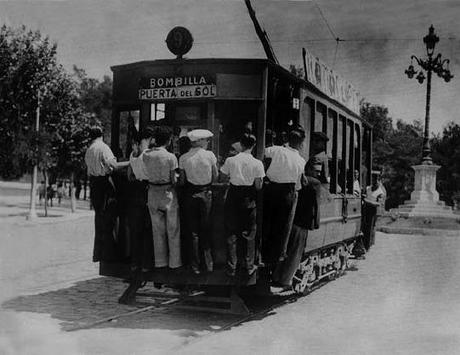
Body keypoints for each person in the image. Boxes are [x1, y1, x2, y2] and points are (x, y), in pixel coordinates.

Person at [272, 158, 322, 290]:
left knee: (284, 250)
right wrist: (315, 223)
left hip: (289, 220)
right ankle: (285, 281)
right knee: (295, 253)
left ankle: (276, 276)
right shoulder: (315, 183)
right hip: (302, 222)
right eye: (316, 171)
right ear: (309, 169)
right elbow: (316, 206)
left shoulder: (296, 178)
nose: (318, 174)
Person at [220, 133, 265, 276]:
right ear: (253, 145)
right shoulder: (257, 163)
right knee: (249, 233)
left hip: (233, 196)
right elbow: (258, 186)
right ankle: (248, 266)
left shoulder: (230, 160)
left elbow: (222, 177)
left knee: (231, 232)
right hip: (249, 198)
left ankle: (231, 267)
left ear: (241, 144)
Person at [85, 125, 129, 262]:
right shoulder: (103, 148)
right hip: (104, 185)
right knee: (109, 220)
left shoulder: (89, 150)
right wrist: (130, 162)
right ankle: (110, 254)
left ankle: (99, 253)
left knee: (99, 219)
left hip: (94, 186)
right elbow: (114, 166)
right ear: (101, 135)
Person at [263, 129, 306, 266]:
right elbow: (299, 184)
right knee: (283, 225)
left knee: (267, 221)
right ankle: (277, 255)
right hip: (288, 192)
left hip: (271, 189)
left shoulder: (276, 150)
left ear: (288, 140)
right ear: (300, 144)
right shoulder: (300, 160)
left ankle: (263, 251)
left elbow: (262, 152)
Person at [179, 129, 217, 274]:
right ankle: (208, 265)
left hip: (190, 194)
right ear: (200, 141)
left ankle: (194, 266)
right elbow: (215, 175)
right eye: (206, 140)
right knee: (206, 229)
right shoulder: (210, 155)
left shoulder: (183, 158)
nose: (207, 142)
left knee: (193, 231)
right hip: (206, 193)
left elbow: (182, 181)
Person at [143, 126, 182, 269]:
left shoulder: (147, 155)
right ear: (169, 140)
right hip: (167, 193)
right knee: (173, 229)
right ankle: (175, 263)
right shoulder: (171, 157)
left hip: (152, 192)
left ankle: (160, 263)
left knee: (157, 230)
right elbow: (174, 179)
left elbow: (144, 152)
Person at [126, 128, 154, 272]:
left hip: (135, 189)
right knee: (147, 228)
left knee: (136, 229)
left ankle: (135, 262)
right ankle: (146, 263)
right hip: (147, 190)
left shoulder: (133, 154)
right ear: (149, 139)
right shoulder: (148, 154)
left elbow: (130, 175)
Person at [362, 172, 385, 250]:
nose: (374, 182)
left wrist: (367, 201)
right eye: (373, 180)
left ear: (379, 181)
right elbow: (366, 195)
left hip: (373, 211)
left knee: (370, 228)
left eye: (376, 180)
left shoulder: (380, 192)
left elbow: (379, 204)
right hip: (365, 209)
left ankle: (367, 246)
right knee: (364, 228)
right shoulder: (369, 188)